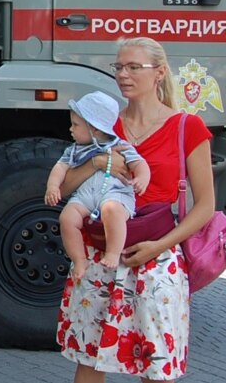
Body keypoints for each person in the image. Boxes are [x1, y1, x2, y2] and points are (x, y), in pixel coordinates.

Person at [57, 37, 216, 383]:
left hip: (155, 260)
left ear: (159, 73)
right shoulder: (103, 124)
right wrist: (98, 163)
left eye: (133, 67)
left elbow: (205, 205)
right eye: (118, 67)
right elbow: (63, 187)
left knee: (156, 366)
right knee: (88, 358)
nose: (123, 74)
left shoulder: (187, 128)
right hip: (99, 255)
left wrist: (160, 246)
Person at [44, 91, 151, 280]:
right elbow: (59, 167)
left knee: (112, 210)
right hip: (85, 195)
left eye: (75, 125)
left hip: (115, 193)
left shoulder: (121, 145)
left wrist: (142, 177)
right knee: (67, 218)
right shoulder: (74, 150)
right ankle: (79, 259)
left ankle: (113, 252)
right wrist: (53, 186)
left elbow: (139, 163)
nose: (70, 129)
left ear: (95, 129)